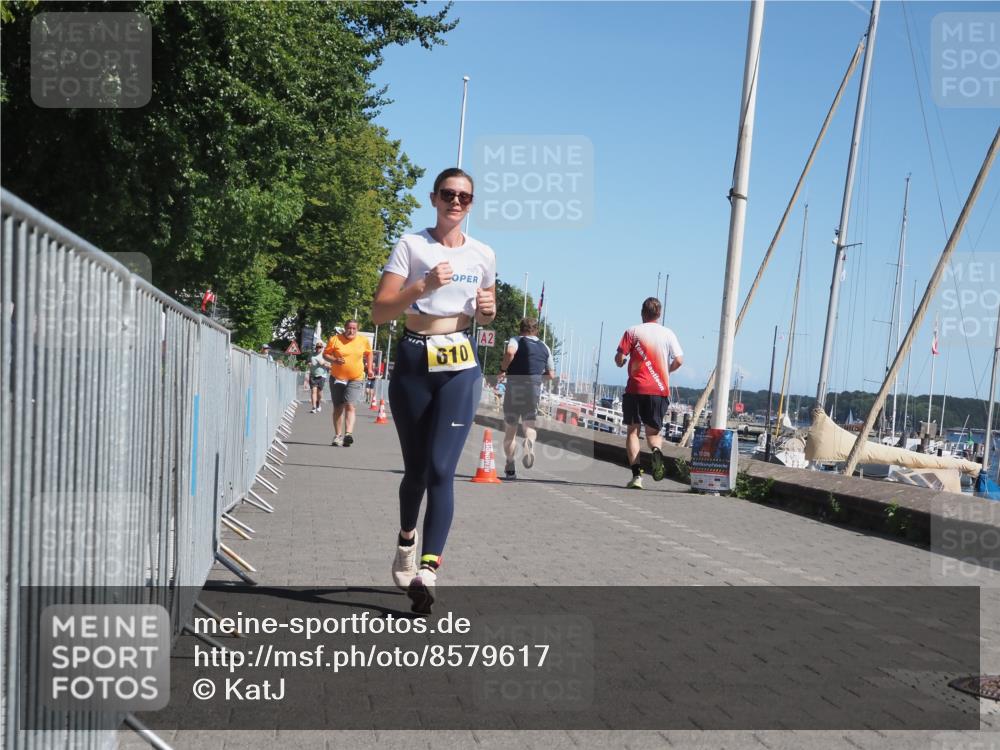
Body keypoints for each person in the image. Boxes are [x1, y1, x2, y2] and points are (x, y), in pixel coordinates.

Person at [372, 167, 496, 614]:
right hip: (413, 358)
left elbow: (486, 312)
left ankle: (428, 569)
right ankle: (407, 540)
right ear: (434, 198)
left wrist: (487, 310)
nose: (456, 202)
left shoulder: (483, 254)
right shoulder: (412, 245)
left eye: (464, 196)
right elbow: (379, 312)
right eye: (448, 194)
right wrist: (422, 285)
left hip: (460, 364)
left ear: (471, 204)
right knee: (417, 471)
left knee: (443, 468)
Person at [614, 297, 684, 489]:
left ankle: (637, 476)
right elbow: (679, 359)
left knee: (633, 432)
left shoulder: (632, 331)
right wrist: (666, 371)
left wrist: (620, 362)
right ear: (659, 314)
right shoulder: (668, 333)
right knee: (653, 433)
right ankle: (655, 449)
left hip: (636, 388)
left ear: (642, 313)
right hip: (659, 390)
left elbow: (620, 358)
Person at [497, 318, 556, 479]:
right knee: (529, 427)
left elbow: (510, 352)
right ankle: (529, 443)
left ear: (520, 329)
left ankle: (510, 466)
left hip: (514, 388)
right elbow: (551, 375)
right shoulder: (545, 347)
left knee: (511, 431)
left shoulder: (516, 340)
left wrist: (503, 369)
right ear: (536, 331)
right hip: (533, 389)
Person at [323, 320, 373, 447]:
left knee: (350, 405)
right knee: (338, 407)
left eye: (354, 328)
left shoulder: (363, 340)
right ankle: (338, 435)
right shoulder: (335, 339)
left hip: (355, 378)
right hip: (337, 377)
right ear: (345, 328)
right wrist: (334, 360)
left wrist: (370, 368)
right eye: (349, 328)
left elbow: (369, 353)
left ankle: (348, 434)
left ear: (357, 329)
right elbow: (325, 354)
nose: (351, 331)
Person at [308, 341, 329, 413]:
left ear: (322, 348)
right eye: (317, 347)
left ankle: (319, 404)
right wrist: (309, 363)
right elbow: (308, 361)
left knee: (319, 392)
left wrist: (323, 364)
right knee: (313, 391)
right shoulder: (312, 355)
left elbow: (330, 366)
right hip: (313, 375)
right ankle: (313, 407)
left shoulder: (325, 355)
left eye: (320, 347)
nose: (318, 348)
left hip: (322, 375)